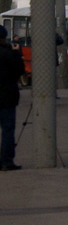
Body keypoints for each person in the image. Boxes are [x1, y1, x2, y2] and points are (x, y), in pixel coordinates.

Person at [0, 25, 27, 171]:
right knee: (7, 130)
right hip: (7, 97)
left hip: (7, 96)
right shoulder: (9, 53)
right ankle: (6, 161)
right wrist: (16, 53)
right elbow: (20, 70)